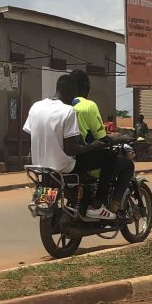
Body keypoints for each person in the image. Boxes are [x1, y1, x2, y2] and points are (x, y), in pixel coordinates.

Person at [23, 74, 117, 220]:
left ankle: (72, 198)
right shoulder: (68, 111)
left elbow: (28, 135)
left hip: (39, 165)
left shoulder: (36, 106)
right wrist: (93, 146)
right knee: (109, 157)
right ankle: (97, 205)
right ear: (72, 90)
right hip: (63, 166)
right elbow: (71, 149)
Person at [69, 69, 134, 213]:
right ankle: (104, 204)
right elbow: (102, 139)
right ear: (86, 85)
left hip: (65, 158)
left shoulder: (64, 105)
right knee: (126, 164)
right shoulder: (88, 106)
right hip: (84, 157)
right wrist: (121, 138)